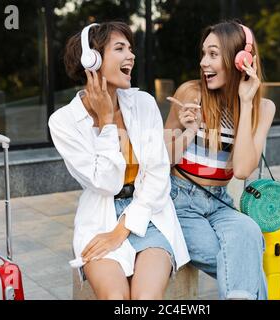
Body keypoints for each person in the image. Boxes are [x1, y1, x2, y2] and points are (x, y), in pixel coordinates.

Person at [49, 21, 189, 300]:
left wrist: (121, 231)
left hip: (150, 213)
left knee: (145, 299)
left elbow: (158, 175)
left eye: (130, 48)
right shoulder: (63, 122)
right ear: (93, 60)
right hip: (100, 217)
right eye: (120, 48)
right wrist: (106, 123)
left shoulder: (144, 103)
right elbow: (106, 183)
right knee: (115, 298)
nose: (131, 56)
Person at [164, 20, 276, 300]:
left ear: (241, 60)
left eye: (213, 54)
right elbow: (162, 159)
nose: (204, 62)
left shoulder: (262, 108)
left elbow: (241, 170)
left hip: (219, 202)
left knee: (248, 231)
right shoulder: (190, 93)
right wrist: (189, 131)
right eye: (203, 54)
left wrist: (246, 103)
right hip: (179, 201)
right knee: (245, 260)